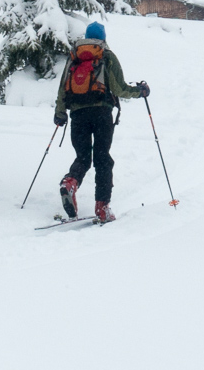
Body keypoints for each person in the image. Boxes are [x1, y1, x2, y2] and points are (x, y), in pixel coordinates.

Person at [54, 20, 149, 223]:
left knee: (83, 157)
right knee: (102, 159)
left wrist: (60, 113)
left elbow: (63, 87)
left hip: (78, 114)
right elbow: (119, 88)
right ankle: (102, 208)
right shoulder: (106, 55)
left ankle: (70, 182)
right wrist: (140, 92)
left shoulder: (74, 56)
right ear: (103, 38)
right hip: (101, 113)